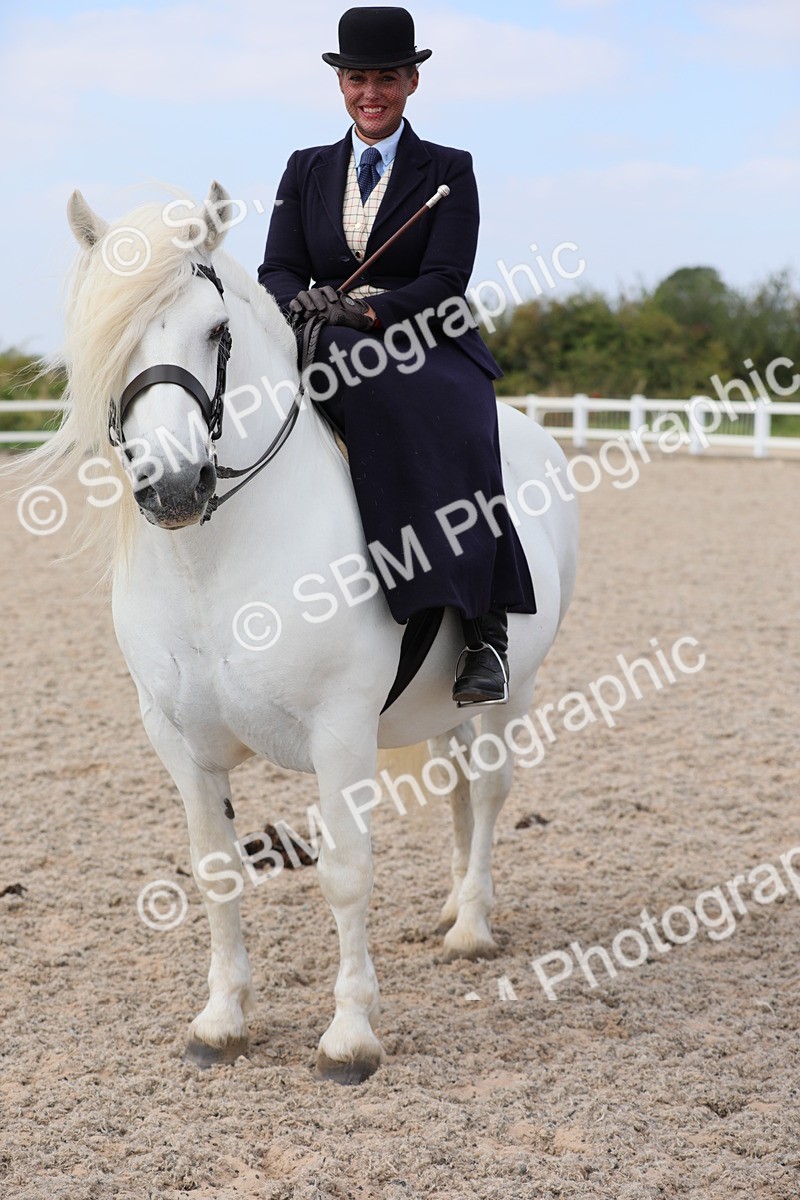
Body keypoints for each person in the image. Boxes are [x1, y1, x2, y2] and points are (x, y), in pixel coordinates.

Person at [258, 6, 536, 705]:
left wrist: (368, 310)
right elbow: (277, 270)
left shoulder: (450, 169)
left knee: (461, 430)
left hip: (422, 339)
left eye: (385, 77)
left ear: (412, 81)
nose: (370, 92)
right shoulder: (305, 168)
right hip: (319, 333)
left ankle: (482, 632)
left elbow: (446, 280)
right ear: (341, 84)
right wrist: (309, 302)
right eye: (357, 78)